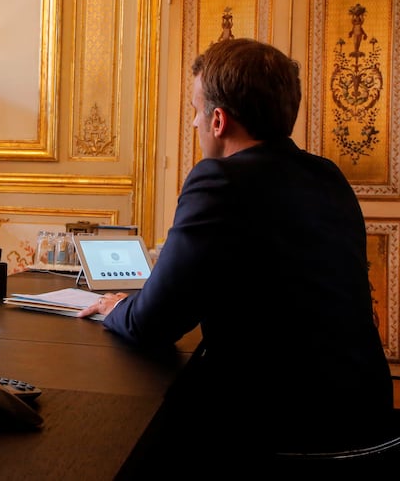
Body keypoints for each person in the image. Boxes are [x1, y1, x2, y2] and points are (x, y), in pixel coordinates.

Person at [77, 39, 394, 473]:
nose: (194, 122)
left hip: (285, 436)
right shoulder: (328, 175)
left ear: (218, 120)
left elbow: (151, 324)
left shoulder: (219, 181)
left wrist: (115, 306)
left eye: (196, 109)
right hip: (372, 423)